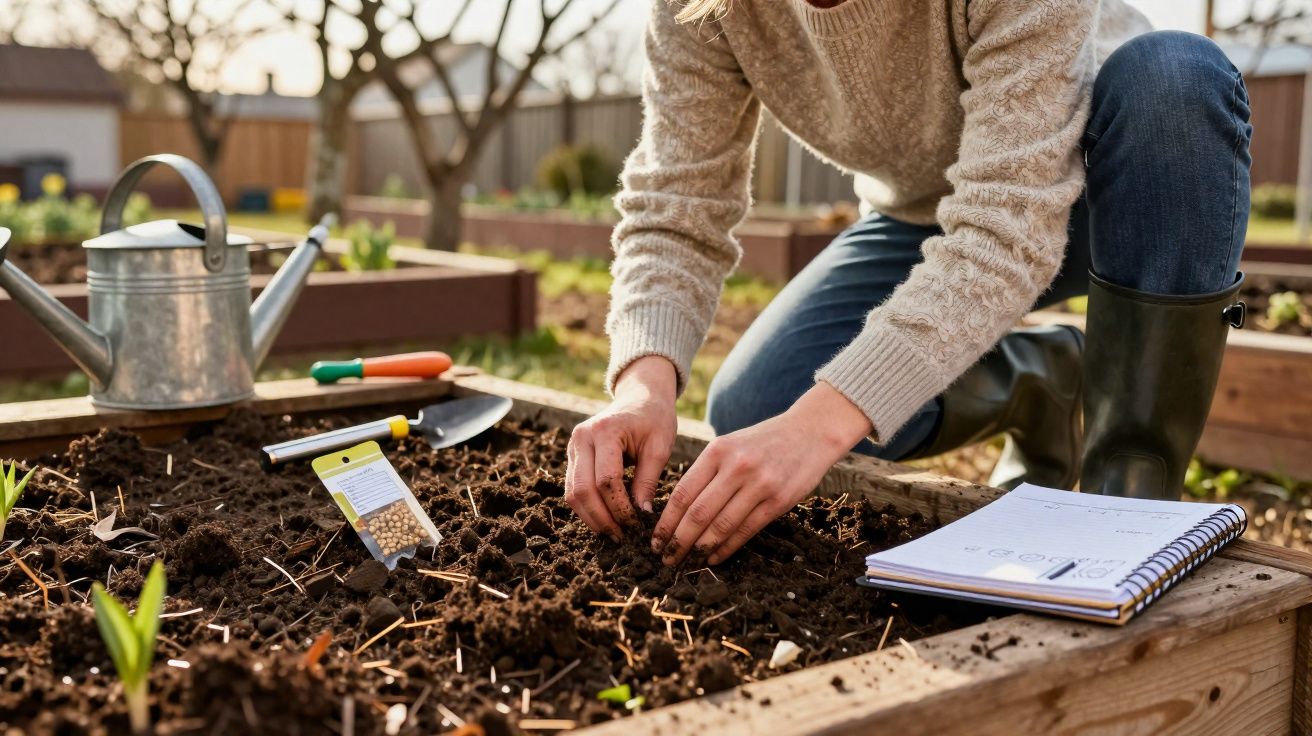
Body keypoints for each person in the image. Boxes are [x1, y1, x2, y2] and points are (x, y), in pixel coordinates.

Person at [564, 0, 1252, 567]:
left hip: (1125, 186)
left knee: (1175, 77)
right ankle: (1042, 384)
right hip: (928, 214)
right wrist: (642, 386)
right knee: (761, 406)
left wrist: (818, 428)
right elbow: (677, 207)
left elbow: (1008, 220)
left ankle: (1125, 499)